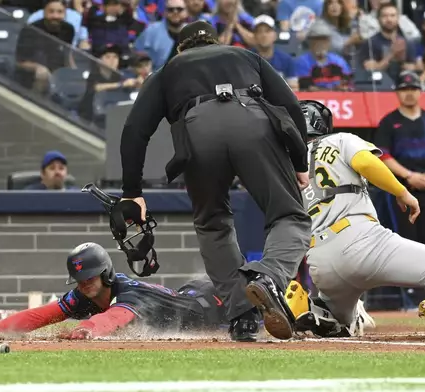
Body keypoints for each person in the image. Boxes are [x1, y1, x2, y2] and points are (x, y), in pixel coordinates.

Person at [118, 20, 312, 342]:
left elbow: (134, 131)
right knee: (289, 215)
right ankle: (267, 276)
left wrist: (132, 192)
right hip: (251, 120)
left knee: (213, 224)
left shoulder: (167, 71)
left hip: (197, 131)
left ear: (180, 49)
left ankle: (242, 317)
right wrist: (299, 161)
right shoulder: (246, 56)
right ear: (217, 41)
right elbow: (291, 106)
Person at [289, 100, 425, 340]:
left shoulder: (288, 164)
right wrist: (402, 192)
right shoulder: (340, 139)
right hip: (361, 239)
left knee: (340, 324)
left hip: (320, 260)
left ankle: (309, 309)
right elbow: (366, 162)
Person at [0, 242, 228, 339]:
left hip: (210, 304)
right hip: (189, 295)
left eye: (91, 277)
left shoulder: (127, 292)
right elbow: (42, 315)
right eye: (80, 279)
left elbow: (114, 318)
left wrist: (88, 329)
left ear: (105, 273)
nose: (85, 283)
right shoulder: (86, 294)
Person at [373, 71, 425, 250]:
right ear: (396, 92)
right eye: (404, 89)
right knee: (404, 242)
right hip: (400, 189)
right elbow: (383, 155)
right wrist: (409, 175)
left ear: (420, 91)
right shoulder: (388, 122)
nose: (409, 93)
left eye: (413, 88)